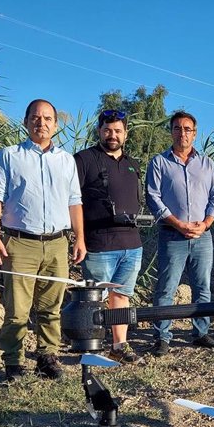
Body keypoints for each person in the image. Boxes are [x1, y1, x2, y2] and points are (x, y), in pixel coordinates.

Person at [0, 99, 86, 382]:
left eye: (47, 118)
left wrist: (80, 238)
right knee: (17, 310)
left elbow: (74, 202)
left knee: (51, 307)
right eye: (35, 117)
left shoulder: (66, 160)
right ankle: (14, 362)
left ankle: (47, 357)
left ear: (56, 124)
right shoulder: (9, 156)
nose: (41, 122)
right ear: (26, 121)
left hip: (57, 244)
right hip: (20, 244)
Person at [145, 111, 214, 354]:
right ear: (171, 132)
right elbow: (152, 196)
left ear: (195, 133)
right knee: (166, 287)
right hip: (172, 234)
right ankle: (162, 336)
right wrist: (178, 223)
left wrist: (207, 222)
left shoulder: (207, 163)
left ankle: (201, 333)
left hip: (202, 235)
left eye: (187, 129)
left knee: (202, 287)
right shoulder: (159, 162)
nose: (182, 133)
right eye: (177, 128)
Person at [74, 110, 144, 365]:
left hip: (131, 244)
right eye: (107, 130)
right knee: (95, 299)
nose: (112, 135)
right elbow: (74, 202)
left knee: (122, 297)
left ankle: (119, 345)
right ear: (99, 131)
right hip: (99, 243)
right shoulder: (84, 159)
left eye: (117, 131)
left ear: (125, 134)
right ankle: (90, 349)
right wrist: (79, 237)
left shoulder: (132, 163)